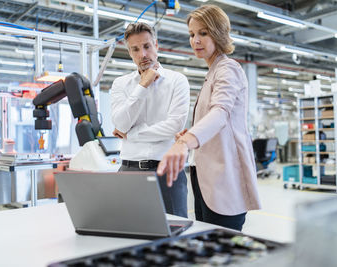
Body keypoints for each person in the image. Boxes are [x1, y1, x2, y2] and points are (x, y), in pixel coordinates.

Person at [157, 5, 261, 231]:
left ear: (218, 33)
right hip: (206, 176)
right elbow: (213, 120)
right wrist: (190, 133)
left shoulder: (228, 69)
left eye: (203, 33)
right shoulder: (213, 71)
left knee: (222, 248)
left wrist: (186, 141)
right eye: (192, 34)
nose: (195, 40)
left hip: (224, 177)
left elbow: (220, 113)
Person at [110, 22, 190, 218]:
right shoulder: (120, 84)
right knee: (128, 231)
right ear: (129, 52)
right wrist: (142, 86)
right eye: (135, 49)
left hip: (167, 170)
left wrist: (132, 134)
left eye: (147, 46)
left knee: (174, 232)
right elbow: (120, 124)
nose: (142, 55)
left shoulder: (177, 81)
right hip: (129, 171)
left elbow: (174, 125)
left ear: (156, 45)